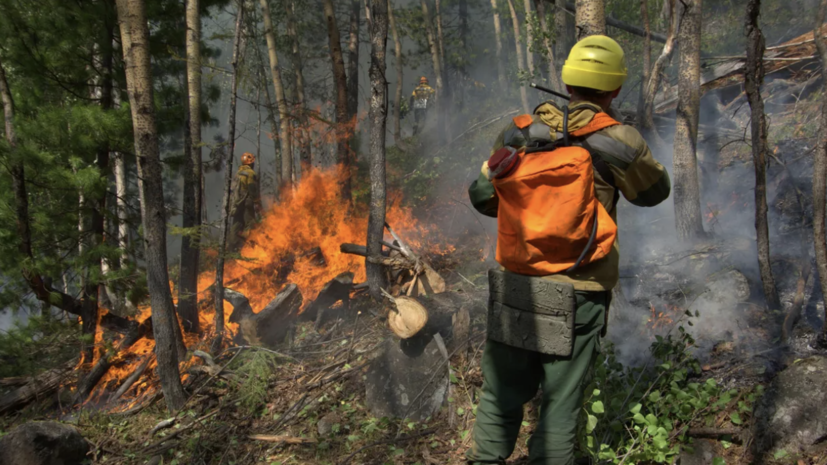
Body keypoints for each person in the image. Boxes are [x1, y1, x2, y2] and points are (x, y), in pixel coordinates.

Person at [466, 35, 671, 465]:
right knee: (560, 404)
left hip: (514, 284)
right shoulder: (618, 140)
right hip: (578, 292)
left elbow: (483, 197)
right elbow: (654, 193)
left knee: (500, 394)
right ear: (615, 88)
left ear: (567, 81)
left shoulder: (518, 132)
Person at [228, 152, 262, 252]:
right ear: (251, 163)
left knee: (236, 224)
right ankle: (248, 248)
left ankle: (231, 249)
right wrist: (256, 202)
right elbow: (251, 188)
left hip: (237, 203)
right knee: (250, 224)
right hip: (247, 202)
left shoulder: (238, 173)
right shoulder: (251, 173)